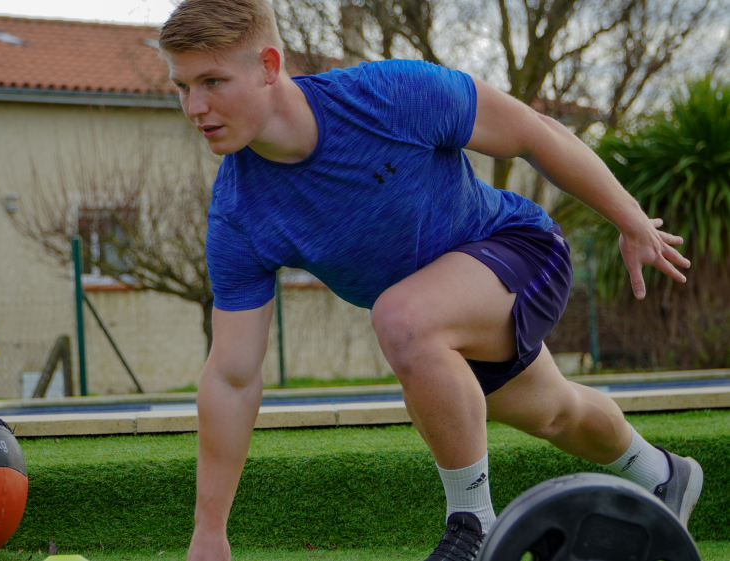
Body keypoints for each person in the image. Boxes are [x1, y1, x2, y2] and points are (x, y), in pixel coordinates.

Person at [159, 1, 704, 559]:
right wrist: (209, 530)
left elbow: (533, 134)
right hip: (436, 320)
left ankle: (474, 525)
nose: (195, 106)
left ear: (269, 65)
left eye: (212, 81)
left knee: (401, 317)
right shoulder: (238, 213)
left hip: (520, 253)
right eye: (182, 86)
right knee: (556, 412)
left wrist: (630, 220)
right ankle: (662, 474)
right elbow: (231, 377)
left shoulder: (392, 95)